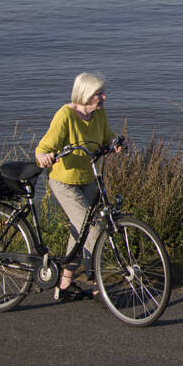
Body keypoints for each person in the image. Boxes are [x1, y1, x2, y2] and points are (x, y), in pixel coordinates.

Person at [35, 71, 117, 301]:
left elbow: (106, 136)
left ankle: (64, 284)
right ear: (86, 95)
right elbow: (44, 146)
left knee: (78, 230)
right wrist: (43, 156)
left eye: (102, 93)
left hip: (88, 178)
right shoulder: (65, 115)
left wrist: (114, 143)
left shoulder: (98, 114)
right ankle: (98, 283)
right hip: (65, 182)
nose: (104, 98)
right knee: (93, 229)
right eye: (99, 94)